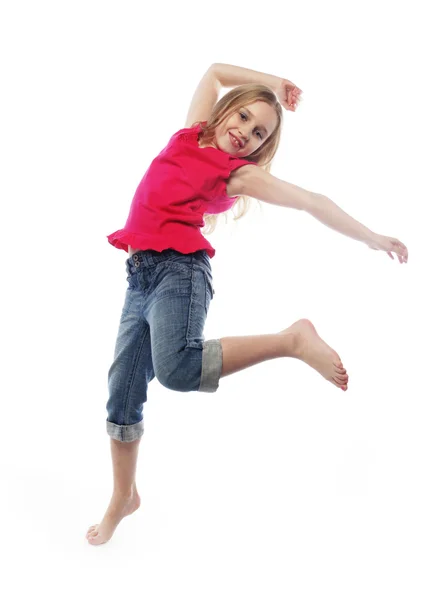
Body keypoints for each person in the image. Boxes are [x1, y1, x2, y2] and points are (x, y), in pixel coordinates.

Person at [86, 64, 408, 545]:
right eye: (243, 118)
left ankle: (292, 340)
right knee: (122, 393)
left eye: (259, 133)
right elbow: (215, 72)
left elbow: (311, 201)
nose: (245, 134)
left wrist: (371, 237)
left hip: (181, 274)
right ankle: (123, 497)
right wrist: (276, 85)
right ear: (223, 114)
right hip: (139, 279)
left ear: (261, 149)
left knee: (176, 369)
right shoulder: (190, 135)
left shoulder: (237, 175)